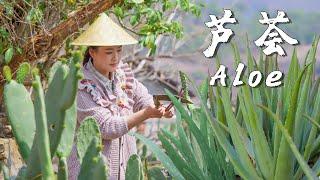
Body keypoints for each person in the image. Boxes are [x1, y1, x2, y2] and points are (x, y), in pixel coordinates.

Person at [67, 13, 174, 180]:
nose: (115, 57)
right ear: (92, 52)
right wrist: (146, 113)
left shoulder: (122, 74)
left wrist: (161, 108)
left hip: (124, 170)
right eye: (109, 52)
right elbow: (107, 128)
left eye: (119, 50)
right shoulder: (81, 86)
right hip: (90, 174)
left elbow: (142, 97)